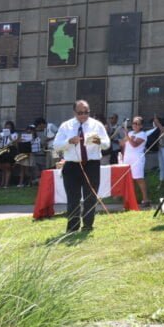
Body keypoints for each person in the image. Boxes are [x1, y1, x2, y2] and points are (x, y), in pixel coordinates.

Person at [52, 100, 110, 233]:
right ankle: (72, 227)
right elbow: (56, 145)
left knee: (90, 197)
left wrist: (97, 140)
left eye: (86, 112)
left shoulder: (97, 125)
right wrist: (69, 141)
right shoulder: (66, 126)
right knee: (73, 198)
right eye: (80, 113)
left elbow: (107, 144)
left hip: (91, 164)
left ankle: (88, 225)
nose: (84, 115)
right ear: (74, 112)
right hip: (72, 165)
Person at [123, 116, 156, 207]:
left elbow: (134, 145)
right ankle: (131, 199)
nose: (135, 125)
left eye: (137, 124)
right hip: (127, 158)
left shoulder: (143, 134)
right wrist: (126, 136)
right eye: (134, 123)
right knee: (129, 179)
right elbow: (122, 144)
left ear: (141, 125)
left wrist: (128, 136)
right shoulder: (129, 133)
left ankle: (146, 199)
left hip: (137, 158)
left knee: (139, 179)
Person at [0, 121, 18, 189]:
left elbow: (15, 144)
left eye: (9, 127)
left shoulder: (15, 134)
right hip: (2, 150)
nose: (8, 128)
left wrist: (9, 136)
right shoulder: (1, 134)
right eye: (6, 127)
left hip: (10, 151)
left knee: (7, 167)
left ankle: (5, 185)